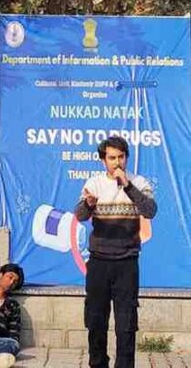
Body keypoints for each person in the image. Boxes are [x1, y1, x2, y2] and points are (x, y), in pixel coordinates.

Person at [74, 136, 157, 368]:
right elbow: (79, 215)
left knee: (126, 324)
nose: (117, 162)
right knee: (96, 320)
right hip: (99, 262)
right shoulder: (94, 183)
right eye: (112, 158)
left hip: (127, 262)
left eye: (121, 157)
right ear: (103, 160)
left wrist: (127, 186)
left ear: (126, 158)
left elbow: (150, 211)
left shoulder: (138, 181)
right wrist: (88, 204)